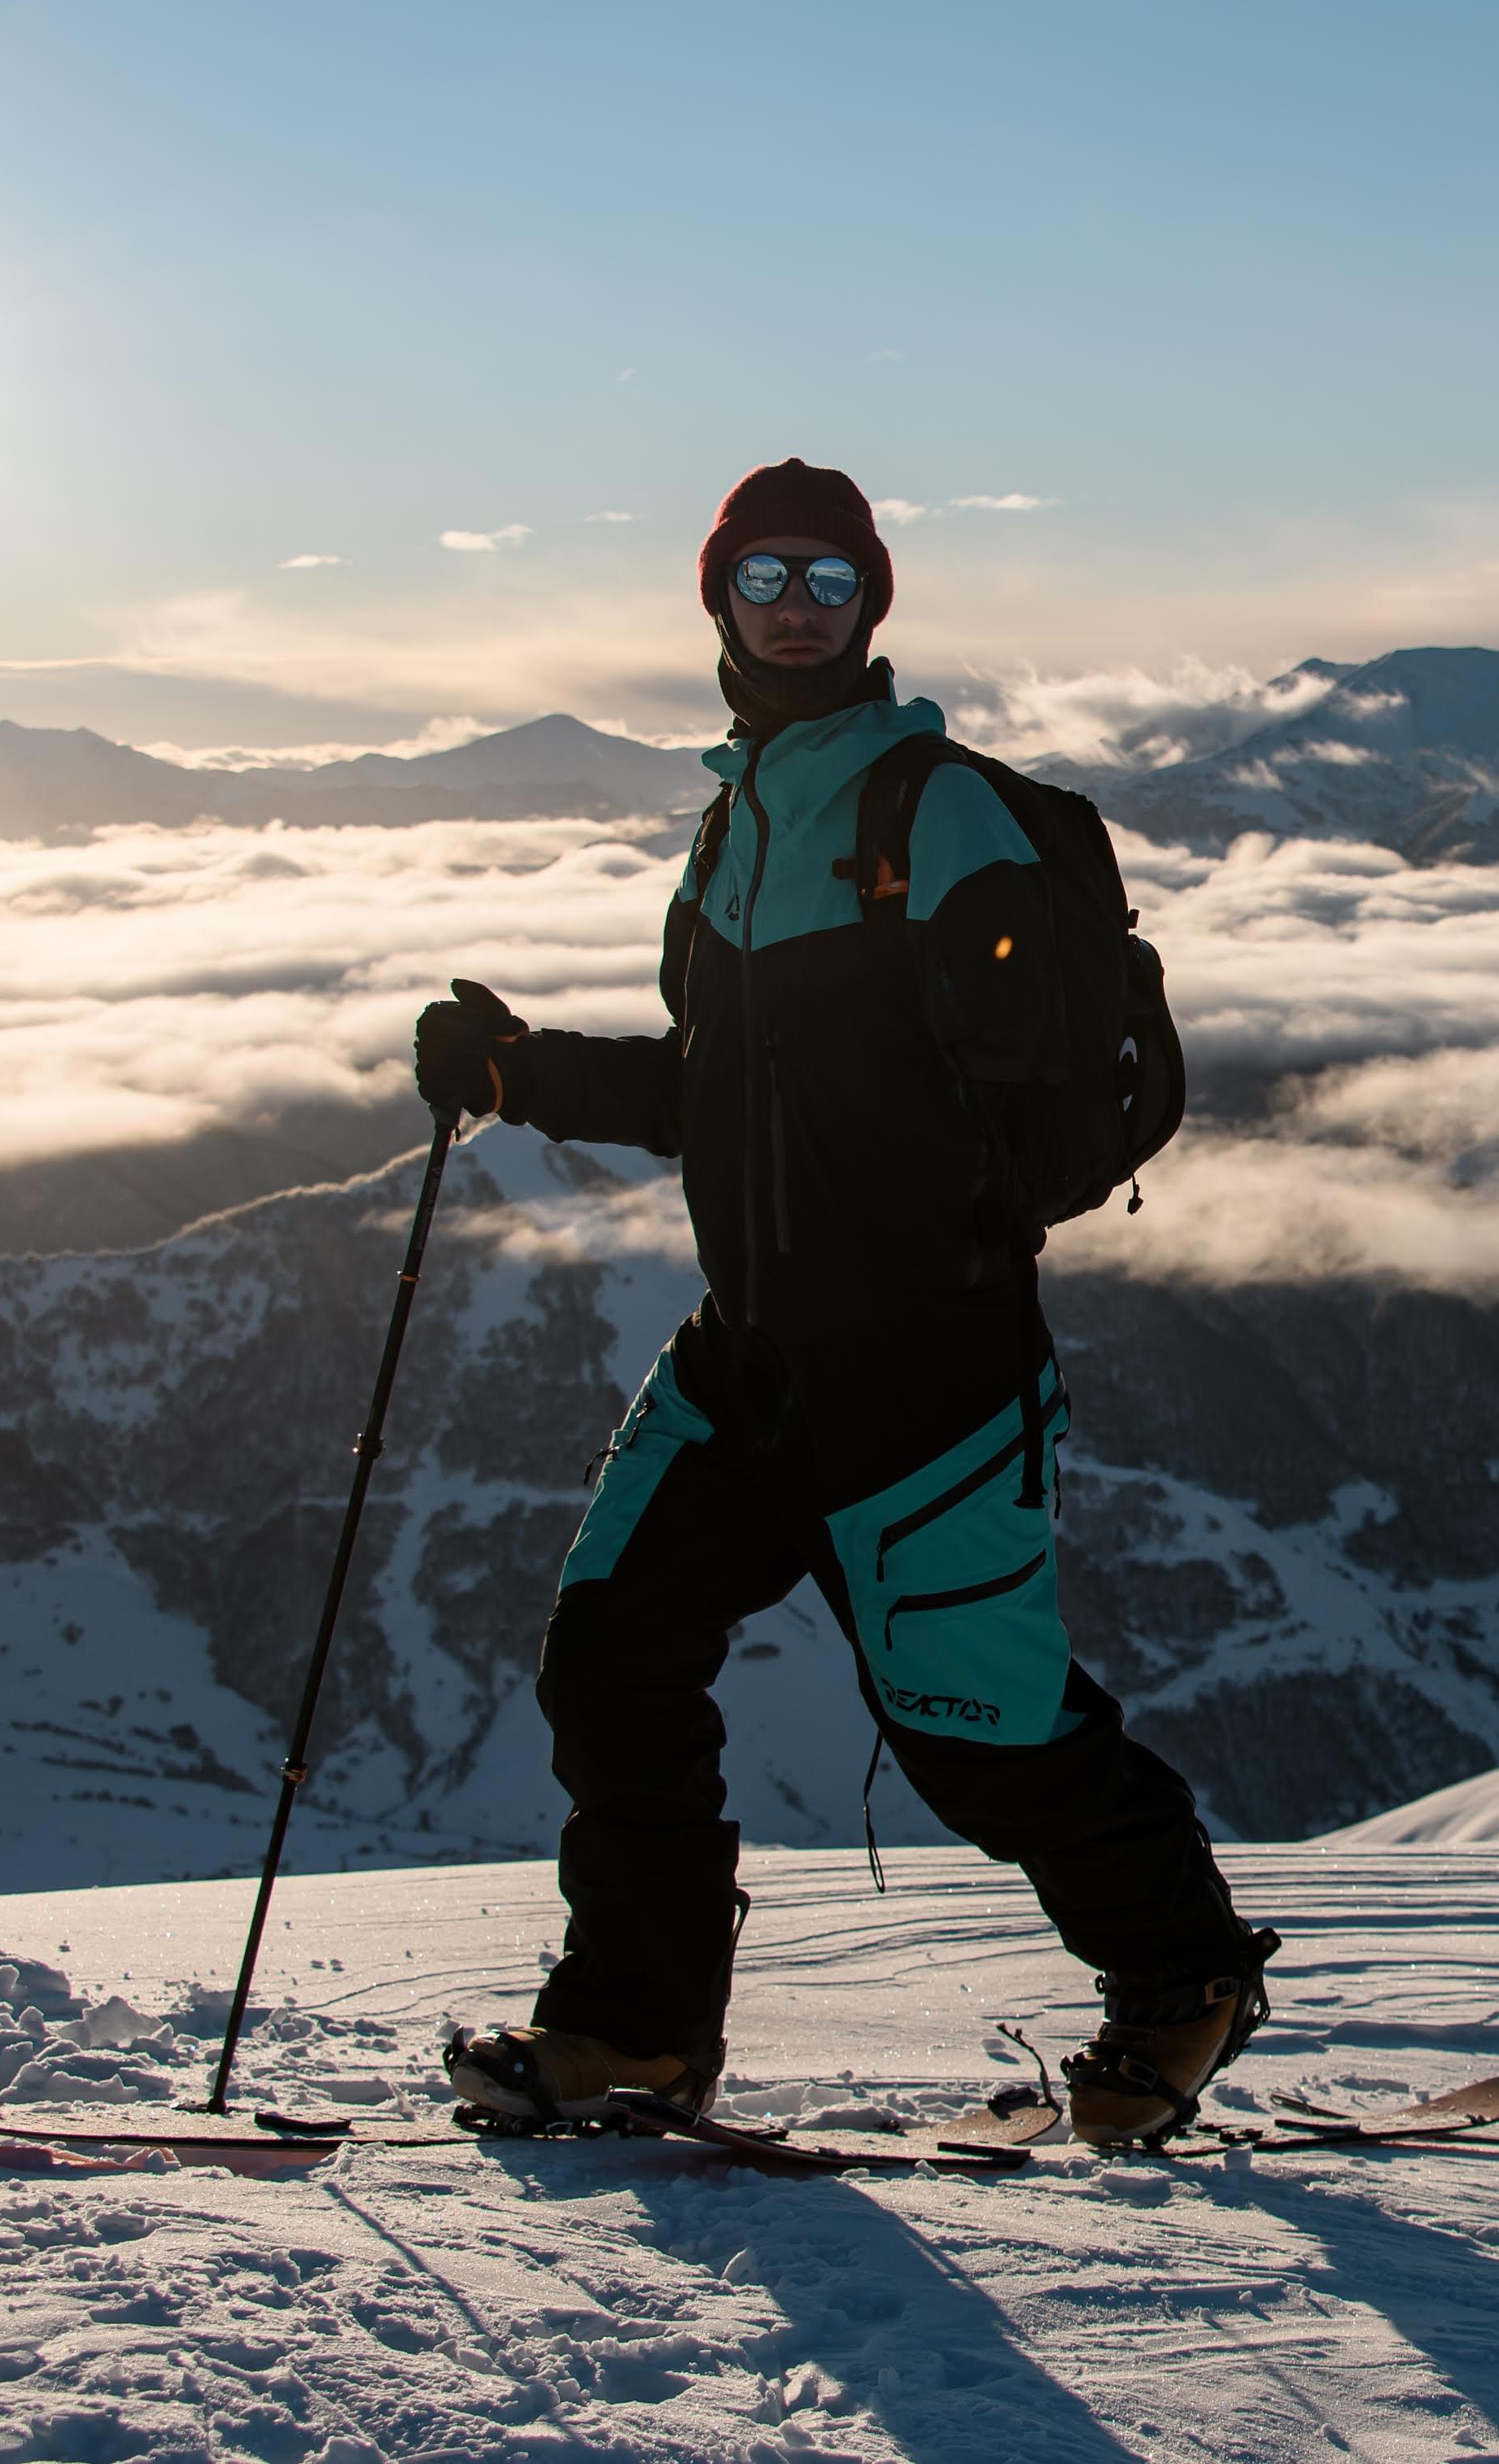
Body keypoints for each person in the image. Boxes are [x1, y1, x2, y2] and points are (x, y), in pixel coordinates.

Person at [412, 459, 1270, 2145]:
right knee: (612, 1652)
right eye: (763, 579)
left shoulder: (925, 807)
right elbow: (713, 1088)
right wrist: (518, 1076)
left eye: (827, 579)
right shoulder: (735, 828)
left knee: (983, 1740)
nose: (795, 607)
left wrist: (996, 983)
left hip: (927, 1373)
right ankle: (639, 2025)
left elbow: (1012, 1046)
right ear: (717, 601)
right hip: (754, 1360)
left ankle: (1184, 1979)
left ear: (873, 604)